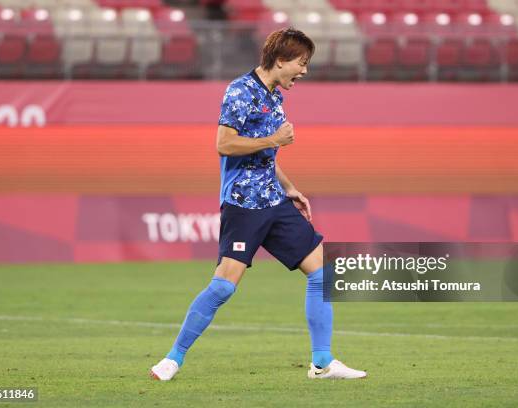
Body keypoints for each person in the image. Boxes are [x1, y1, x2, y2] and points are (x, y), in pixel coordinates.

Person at [150, 28, 366, 381]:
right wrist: (274, 138)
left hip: (274, 201)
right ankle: (172, 359)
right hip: (243, 206)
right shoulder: (239, 92)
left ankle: (323, 362)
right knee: (222, 287)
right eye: (302, 63)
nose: (304, 71)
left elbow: (264, 155)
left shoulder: (275, 97)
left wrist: (290, 187)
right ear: (281, 60)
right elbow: (225, 144)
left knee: (323, 273)